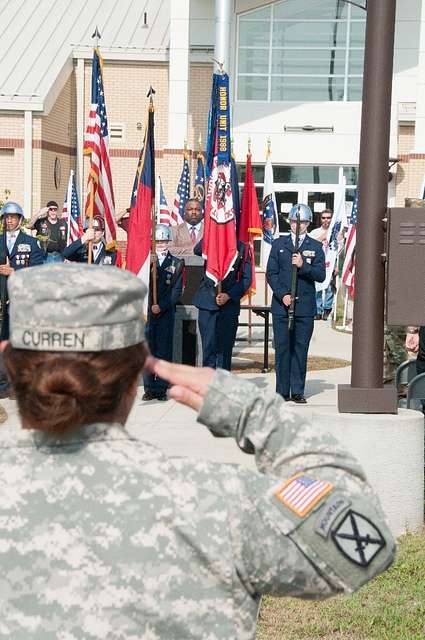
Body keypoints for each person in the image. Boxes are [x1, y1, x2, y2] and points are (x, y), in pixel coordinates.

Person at [0, 263, 396, 638]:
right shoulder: (215, 501)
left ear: (9, 360)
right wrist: (253, 413)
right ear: (139, 367)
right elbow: (366, 541)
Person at [267, 204, 325, 403]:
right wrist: (282, 294)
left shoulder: (315, 247)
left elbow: (320, 275)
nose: (297, 225)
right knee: (283, 349)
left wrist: (304, 266)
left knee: (300, 349)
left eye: (301, 222)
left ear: (308, 224)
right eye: (293, 222)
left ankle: (298, 390)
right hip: (282, 306)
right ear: (289, 222)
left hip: (304, 307)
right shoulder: (279, 244)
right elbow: (271, 274)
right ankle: (282, 391)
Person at [193, 239, 251, 370]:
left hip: (229, 305)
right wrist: (212, 231)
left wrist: (229, 295)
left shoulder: (242, 247)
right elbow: (197, 250)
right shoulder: (211, 239)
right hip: (208, 302)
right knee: (208, 347)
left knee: (225, 349)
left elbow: (247, 279)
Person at [142, 224, 184, 401]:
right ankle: (149, 387)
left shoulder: (176, 263)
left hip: (165, 312)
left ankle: (161, 388)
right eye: (157, 241)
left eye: (164, 240)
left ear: (169, 241)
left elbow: (176, 291)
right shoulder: (147, 262)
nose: (161, 244)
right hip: (148, 313)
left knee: (163, 350)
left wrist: (162, 305)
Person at [309, 208, 336, 320]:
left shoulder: (336, 232)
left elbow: (339, 249)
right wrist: (324, 236)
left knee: (329, 287)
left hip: (331, 263)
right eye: (323, 218)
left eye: (328, 218)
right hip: (318, 263)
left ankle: (327, 308)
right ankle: (318, 310)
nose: (326, 220)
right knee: (318, 287)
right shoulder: (315, 232)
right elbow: (310, 244)